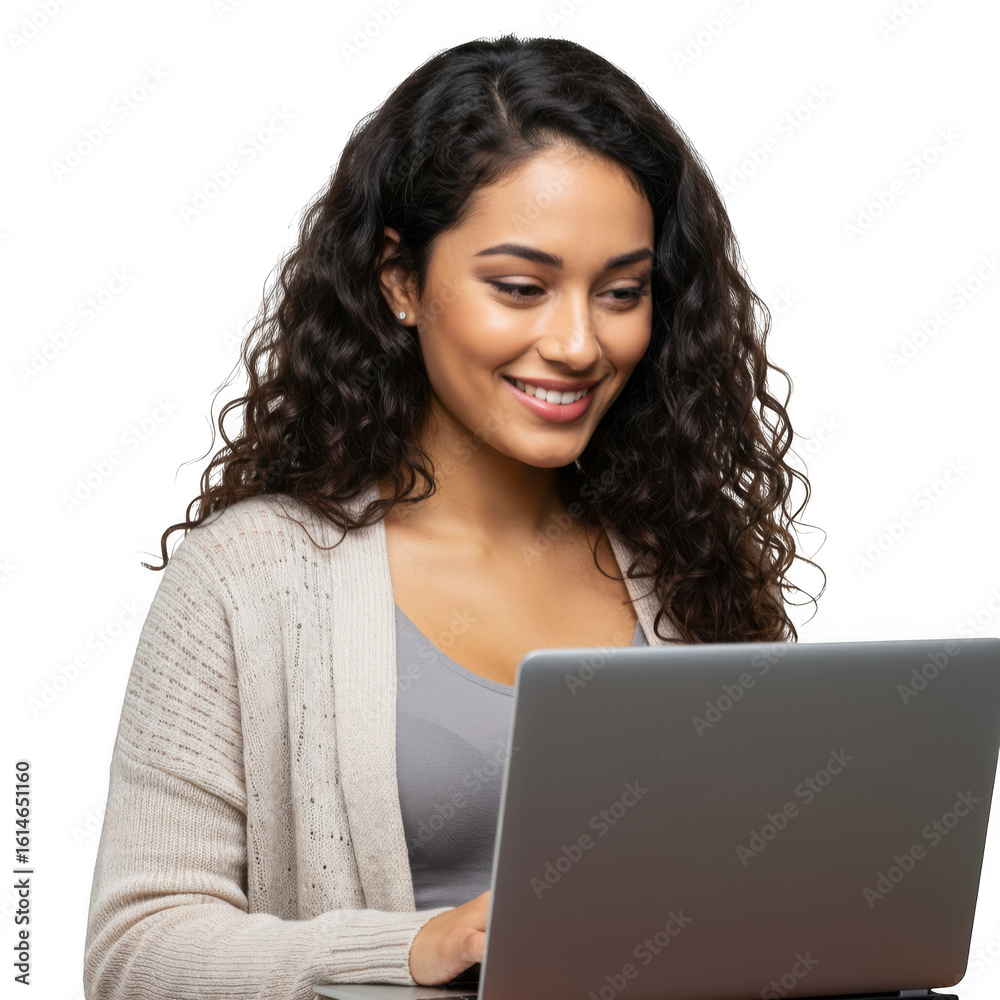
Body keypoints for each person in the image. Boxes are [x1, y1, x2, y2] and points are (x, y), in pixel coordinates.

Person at [83, 32, 823, 1000]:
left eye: (621, 292)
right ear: (399, 280)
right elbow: (134, 951)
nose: (575, 341)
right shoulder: (250, 578)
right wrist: (407, 949)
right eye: (519, 287)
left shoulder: (686, 557)